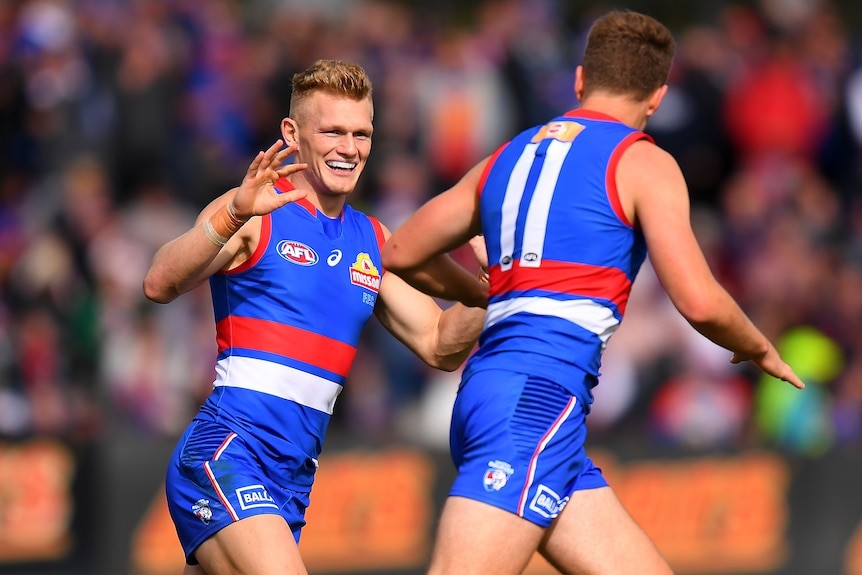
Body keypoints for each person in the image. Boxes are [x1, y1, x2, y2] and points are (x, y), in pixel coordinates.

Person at [381, 10, 806, 575]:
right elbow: (699, 301)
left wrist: (492, 294)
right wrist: (757, 344)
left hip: (497, 400)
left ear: (580, 80)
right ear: (657, 98)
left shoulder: (509, 154)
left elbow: (403, 250)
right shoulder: (642, 162)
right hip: (537, 403)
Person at [142, 59, 486, 575]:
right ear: (292, 133)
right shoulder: (255, 210)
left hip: (291, 482)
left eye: (361, 134)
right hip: (228, 453)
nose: (350, 148)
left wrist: (495, 292)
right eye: (333, 131)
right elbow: (158, 282)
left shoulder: (371, 240)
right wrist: (233, 213)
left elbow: (440, 342)